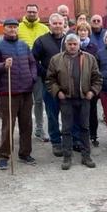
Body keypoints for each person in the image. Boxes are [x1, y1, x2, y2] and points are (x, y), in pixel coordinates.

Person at [0, 18, 39, 169]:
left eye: (14, 27)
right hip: (8, 92)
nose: (12, 30)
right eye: (9, 27)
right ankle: (4, 155)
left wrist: (33, 77)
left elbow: (32, 63)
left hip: (26, 91)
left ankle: (25, 153)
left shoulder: (24, 45)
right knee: (8, 126)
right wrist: (4, 65)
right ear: (4, 29)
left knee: (27, 124)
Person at [46, 33, 101, 170]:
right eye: (69, 44)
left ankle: (86, 156)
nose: (72, 46)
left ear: (79, 45)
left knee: (84, 127)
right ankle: (67, 157)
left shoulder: (89, 58)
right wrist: (58, 92)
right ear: (65, 45)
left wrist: (92, 92)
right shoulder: (56, 59)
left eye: (75, 44)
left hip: (84, 99)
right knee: (66, 129)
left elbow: (97, 78)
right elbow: (50, 79)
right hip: (66, 99)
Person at [32, 13, 68, 156]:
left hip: (68, 83)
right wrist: (45, 73)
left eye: (60, 23)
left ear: (64, 24)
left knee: (68, 114)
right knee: (52, 114)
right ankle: (56, 142)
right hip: (50, 84)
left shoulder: (69, 40)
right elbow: (33, 60)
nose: (58, 26)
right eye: (55, 23)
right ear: (50, 25)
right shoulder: (41, 41)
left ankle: (69, 140)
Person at [17, 4, 50, 140]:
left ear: (38, 13)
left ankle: (39, 128)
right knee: (23, 102)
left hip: (38, 69)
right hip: (21, 70)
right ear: (25, 12)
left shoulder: (44, 28)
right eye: (29, 11)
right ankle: (24, 130)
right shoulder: (18, 28)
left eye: (34, 12)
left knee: (38, 100)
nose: (31, 14)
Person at [74, 18, 101, 146]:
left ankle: (93, 135)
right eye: (80, 30)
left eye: (85, 30)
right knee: (78, 111)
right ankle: (79, 135)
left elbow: (96, 65)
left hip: (90, 84)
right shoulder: (73, 45)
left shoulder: (93, 47)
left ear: (88, 32)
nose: (83, 33)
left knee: (92, 111)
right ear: (77, 32)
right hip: (76, 84)